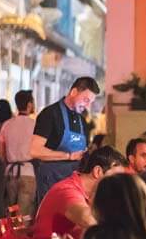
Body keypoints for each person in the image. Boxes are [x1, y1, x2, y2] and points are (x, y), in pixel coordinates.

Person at [29, 146, 127, 239]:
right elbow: (87, 219)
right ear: (98, 172)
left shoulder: (93, 194)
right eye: (115, 178)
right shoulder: (67, 189)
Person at [30, 76, 100, 206]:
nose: (87, 106)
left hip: (74, 184)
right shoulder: (50, 114)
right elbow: (34, 150)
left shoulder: (82, 121)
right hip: (51, 181)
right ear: (73, 92)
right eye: (85, 100)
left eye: (90, 102)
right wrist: (68, 156)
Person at [0, 90, 37, 218]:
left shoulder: (7, 125)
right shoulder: (35, 126)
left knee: (12, 213)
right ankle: (20, 237)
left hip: (10, 174)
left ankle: (12, 236)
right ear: (29, 105)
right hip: (28, 173)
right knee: (24, 215)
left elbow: (0, 153)